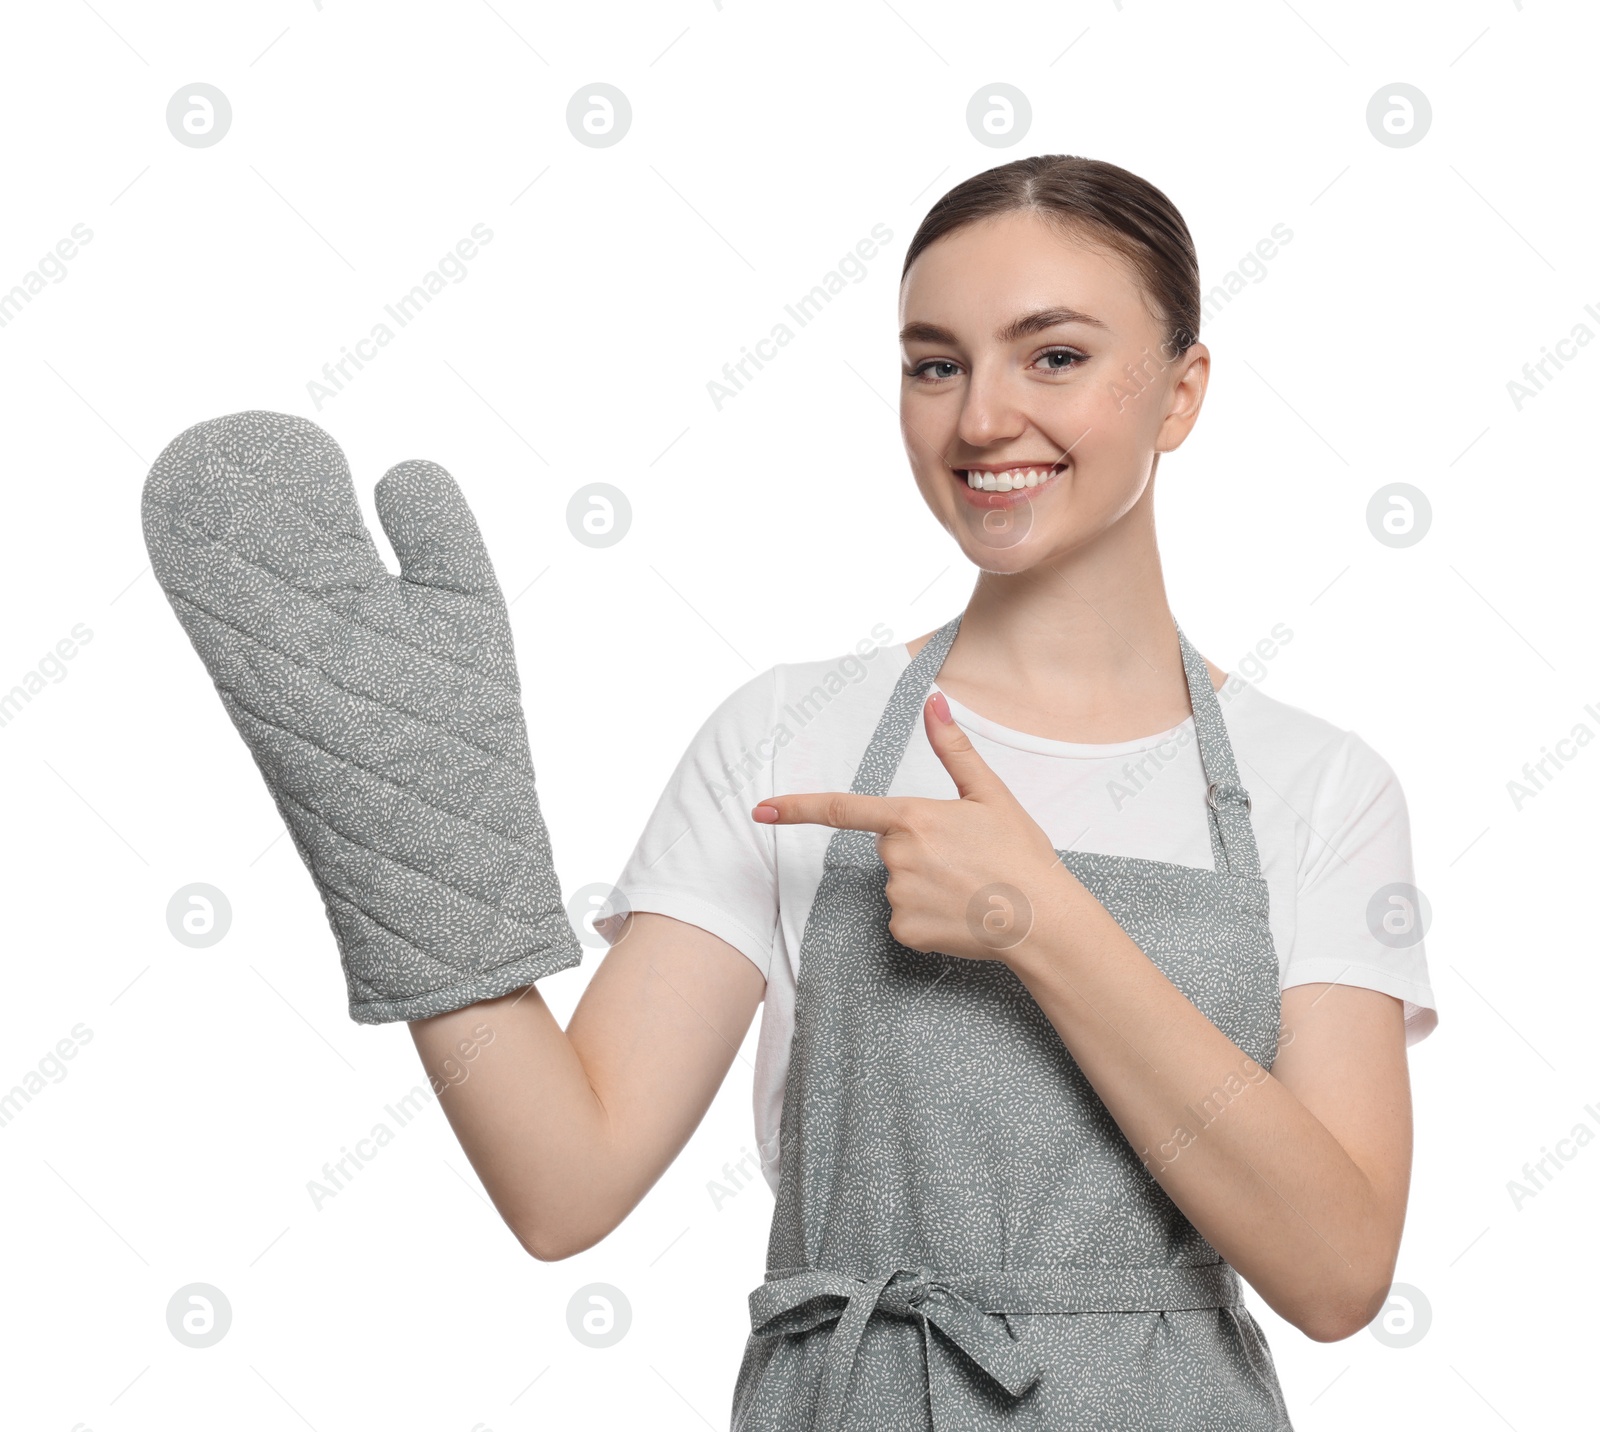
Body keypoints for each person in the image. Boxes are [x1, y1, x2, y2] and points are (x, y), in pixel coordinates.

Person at [409, 154, 1438, 1430]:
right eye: (934, 362)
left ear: (1182, 394)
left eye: (1051, 356)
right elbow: (564, 1184)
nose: (981, 420)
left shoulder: (1316, 786)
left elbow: (1336, 1272)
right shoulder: (792, 733)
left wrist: (1041, 925)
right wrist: (406, 824)